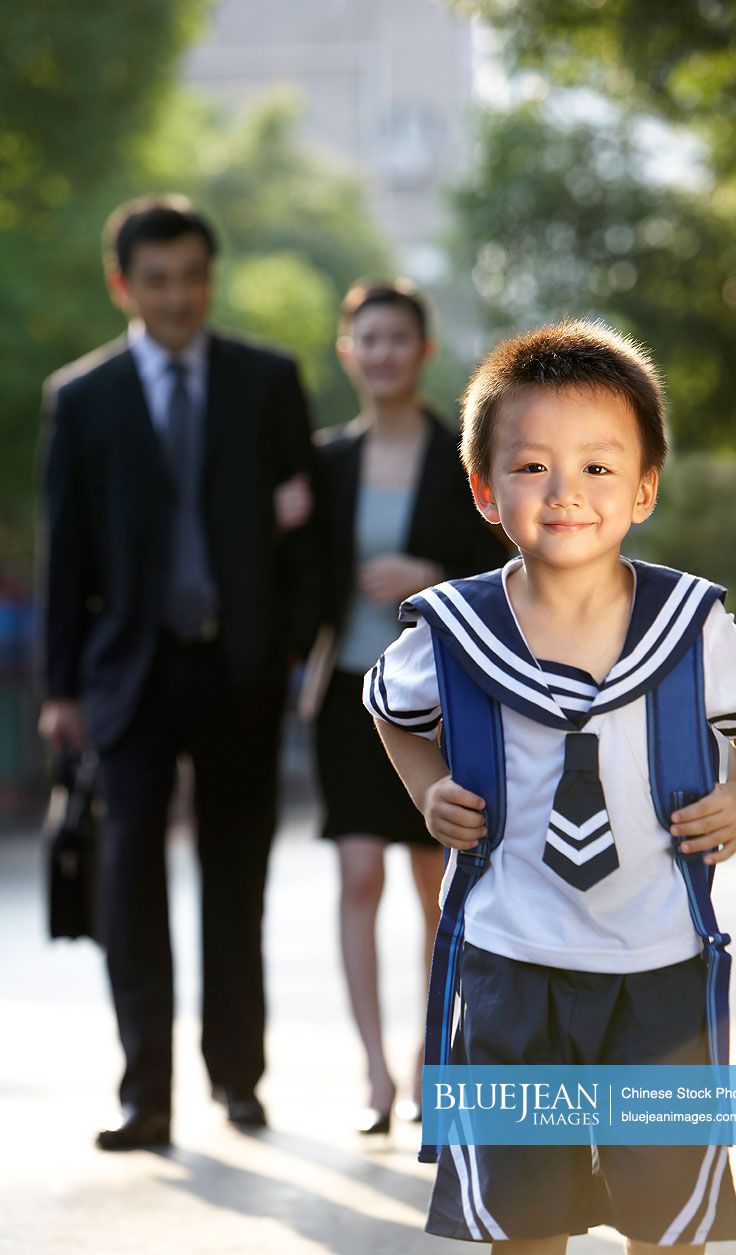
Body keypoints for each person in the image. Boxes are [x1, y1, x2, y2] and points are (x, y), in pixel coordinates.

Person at [364, 319, 736, 1251]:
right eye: (530, 467)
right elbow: (387, 703)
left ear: (643, 488)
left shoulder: (691, 625)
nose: (565, 493)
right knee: (523, 1218)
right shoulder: (452, 630)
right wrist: (425, 784)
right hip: (512, 959)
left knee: (666, 1222)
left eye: (598, 467)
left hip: (659, 963)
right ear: (483, 489)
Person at [37, 194, 318, 1150]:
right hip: (129, 673)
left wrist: (285, 646)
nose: (177, 296)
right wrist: (60, 689)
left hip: (240, 669)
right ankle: (144, 1095)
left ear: (210, 277)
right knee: (129, 886)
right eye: (155, 279)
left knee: (238, 880)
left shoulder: (269, 381)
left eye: (192, 276)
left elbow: (302, 534)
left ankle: (238, 1079)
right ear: (124, 284)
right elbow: (64, 549)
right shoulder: (82, 398)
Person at [313, 281, 506, 1134]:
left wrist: (429, 578)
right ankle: (373, 1075)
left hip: (439, 702)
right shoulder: (324, 464)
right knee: (357, 876)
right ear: (346, 351)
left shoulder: (460, 458)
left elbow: (498, 568)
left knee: (435, 884)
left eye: (399, 339)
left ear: (424, 353)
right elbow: (294, 582)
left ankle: (437, 1065)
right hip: (346, 698)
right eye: (368, 339)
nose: (383, 352)